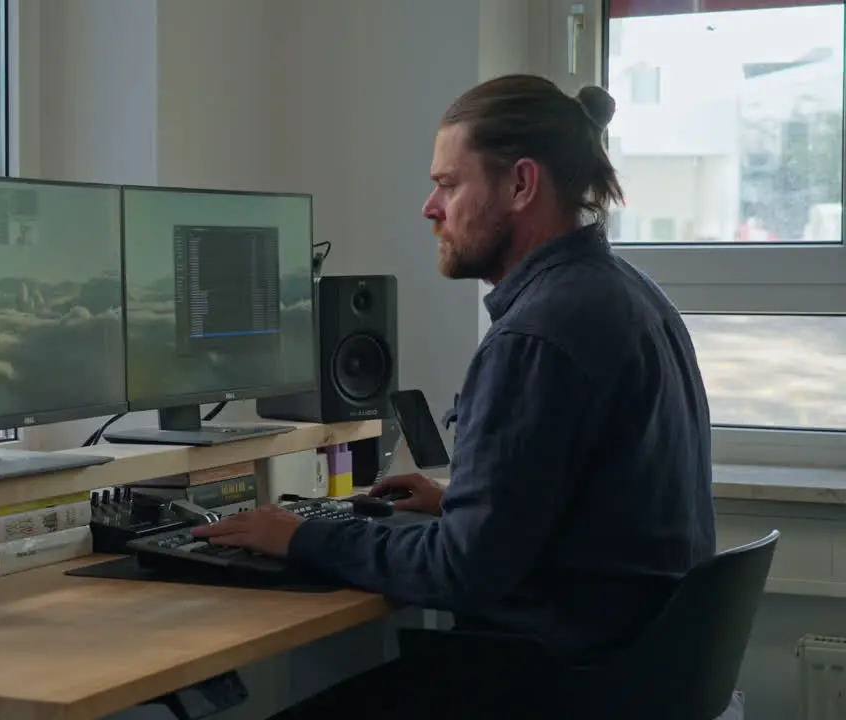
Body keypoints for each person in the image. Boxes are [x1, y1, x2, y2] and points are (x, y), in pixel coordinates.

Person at [192, 74, 717, 717]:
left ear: (521, 185)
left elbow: (460, 572)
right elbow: (598, 502)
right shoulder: (630, 295)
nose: (429, 208)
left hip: (559, 683)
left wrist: (300, 537)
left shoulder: (537, 335)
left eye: (447, 184)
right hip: (631, 674)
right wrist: (459, 504)